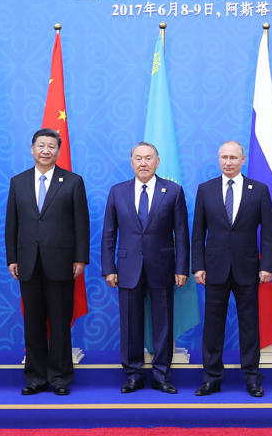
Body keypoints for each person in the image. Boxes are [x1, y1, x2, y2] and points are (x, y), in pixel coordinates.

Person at [5, 128, 91, 396]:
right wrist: (12, 258)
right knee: (33, 323)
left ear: (58, 151)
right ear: (32, 149)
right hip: (27, 262)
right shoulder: (18, 182)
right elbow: (12, 224)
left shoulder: (73, 181)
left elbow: (82, 225)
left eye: (51, 146)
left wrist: (80, 259)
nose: (45, 150)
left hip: (62, 262)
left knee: (60, 323)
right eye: (41, 145)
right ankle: (35, 377)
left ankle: (60, 377)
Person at [101, 141, 190, 394]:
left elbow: (181, 234)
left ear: (157, 162)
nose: (143, 163)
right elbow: (109, 233)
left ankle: (161, 375)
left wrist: (182, 268)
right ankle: (133, 374)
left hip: (162, 266)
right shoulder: (117, 191)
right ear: (131, 163)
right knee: (130, 325)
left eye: (148, 158)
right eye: (138, 158)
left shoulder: (173, 191)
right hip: (127, 268)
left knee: (163, 324)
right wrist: (109, 267)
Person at [192, 140, 272, 398]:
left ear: (243, 160)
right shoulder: (205, 189)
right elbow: (198, 233)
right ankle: (211, 378)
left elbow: (269, 234)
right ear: (219, 159)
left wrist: (266, 266)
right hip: (214, 268)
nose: (228, 162)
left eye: (233, 158)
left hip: (248, 269)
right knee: (213, 327)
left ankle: (252, 378)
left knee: (250, 326)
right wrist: (198, 266)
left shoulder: (259, 190)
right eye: (223, 157)